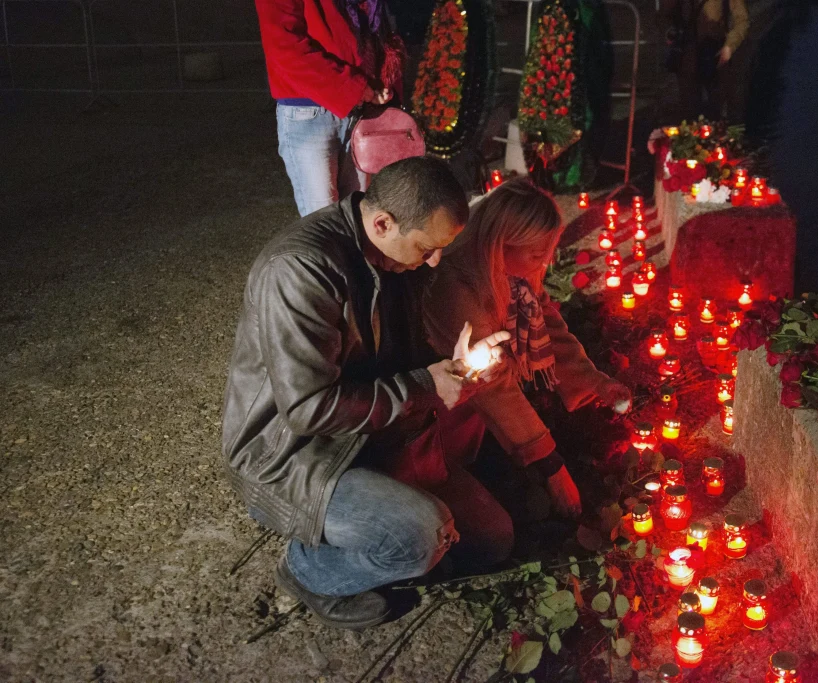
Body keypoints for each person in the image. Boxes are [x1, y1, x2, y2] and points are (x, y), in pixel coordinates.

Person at [221, 157, 513, 631]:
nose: (436, 260)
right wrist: (423, 385)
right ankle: (307, 571)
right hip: (295, 456)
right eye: (428, 247)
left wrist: (458, 365)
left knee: (493, 539)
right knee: (423, 537)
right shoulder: (300, 270)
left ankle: (380, 529)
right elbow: (307, 408)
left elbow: (399, 361)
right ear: (382, 222)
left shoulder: (396, 257)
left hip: (371, 436)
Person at [423, 179, 632, 520]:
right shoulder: (455, 288)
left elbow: (544, 320)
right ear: (500, 245)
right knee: (495, 528)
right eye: (537, 254)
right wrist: (552, 466)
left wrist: (594, 381)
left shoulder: (511, 278)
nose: (545, 263)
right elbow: (492, 385)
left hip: (482, 411)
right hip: (443, 419)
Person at [255, 0, 406, 217]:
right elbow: (283, 43)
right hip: (310, 109)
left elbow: (374, 29)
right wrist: (355, 88)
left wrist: (381, 83)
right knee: (325, 220)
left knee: (360, 215)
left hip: (358, 105)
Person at [661, 0, 749, 121]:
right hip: (688, 57)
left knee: (717, 111)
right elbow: (665, 16)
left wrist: (730, 46)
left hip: (715, 55)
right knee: (689, 114)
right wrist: (670, 32)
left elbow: (741, 20)